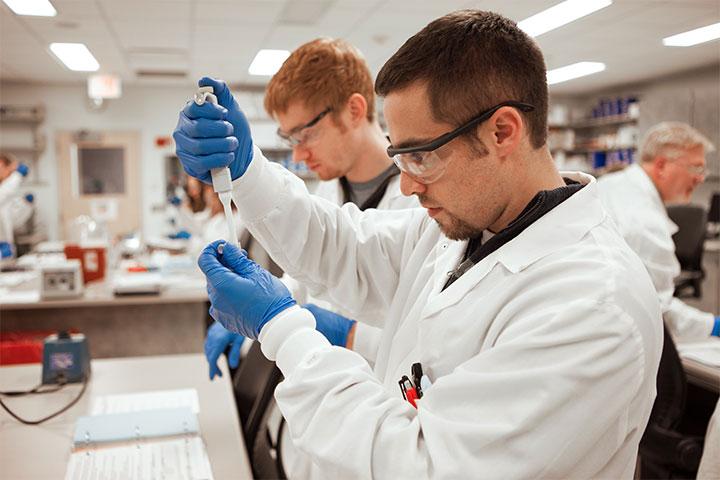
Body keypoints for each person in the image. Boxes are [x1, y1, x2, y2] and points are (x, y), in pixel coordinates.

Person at [174, 10, 663, 478]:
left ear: (502, 131)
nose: (406, 186)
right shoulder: (464, 228)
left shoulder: (592, 305)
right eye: (398, 157)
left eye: (421, 157)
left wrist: (283, 329)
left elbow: (419, 465)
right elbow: (344, 247)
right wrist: (247, 170)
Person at [203, 38, 418, 381]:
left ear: (355, 110)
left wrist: (348, 333)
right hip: (322, 386)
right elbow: (303, 280)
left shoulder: (424, 200)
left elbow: (429, 341)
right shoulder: (328, 188)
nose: (299, 156)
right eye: (291, 140)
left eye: (305, 135)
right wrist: (252, 316)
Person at [598, 122, 719, 340]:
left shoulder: (611, 184)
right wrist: (712, 325)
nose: (701, 178)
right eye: (696, 168)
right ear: (662, 166)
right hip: (614, 331)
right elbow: (658, 313)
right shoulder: (645, 223)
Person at [0, 153, 30, 260]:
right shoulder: (7, 189)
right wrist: (17, 175)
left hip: (5, 247)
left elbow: (14, 221)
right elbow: (3, 193)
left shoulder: (9, 195)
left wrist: (26, 205)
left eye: (1, 167)